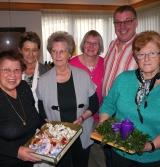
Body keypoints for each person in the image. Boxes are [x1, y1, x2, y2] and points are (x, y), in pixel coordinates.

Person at [101, 5, 160, 167]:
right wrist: (104, 126)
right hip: (119, 151)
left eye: (152, 53)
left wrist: (150, 146)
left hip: (152, 157)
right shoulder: (123, 78)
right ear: (136, 57)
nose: (146, 58)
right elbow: (109, 103)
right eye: (141, 54)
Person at [0, 50, 46, 167]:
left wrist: (43, 125)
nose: (12, 74)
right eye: (6, 69)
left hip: (26, 158)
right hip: (1, 162)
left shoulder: (23, 87)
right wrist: (16, 151)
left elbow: (32, 112)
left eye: (17, 69)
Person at [36, 31, 99, 167]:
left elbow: (94, 103)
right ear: (50, 53)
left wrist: (82, 118)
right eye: (54, 51)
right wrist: (47, 125)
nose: (58, 55)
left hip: (80, 132)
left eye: (62, 51)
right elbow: (41, 110)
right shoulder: (43, 80)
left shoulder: (83, 75)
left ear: (70, 53)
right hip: (57, 137)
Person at [69, 30, 105, 167]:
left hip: (100, 118)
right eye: (88, 42)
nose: (91, 46)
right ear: (83, 44)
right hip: (78, 118)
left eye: (95, 43)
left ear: (100, 46)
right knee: (80, 155)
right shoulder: (72, 63)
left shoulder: (105, 62)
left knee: (99, 155)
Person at [18, 31, 50, 110]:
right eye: (27, 50)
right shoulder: (14, 71)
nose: (31, 54)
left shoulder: (46, 72)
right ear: (20, 50)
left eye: (34, 50)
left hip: (41, 116)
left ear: (39, 51)